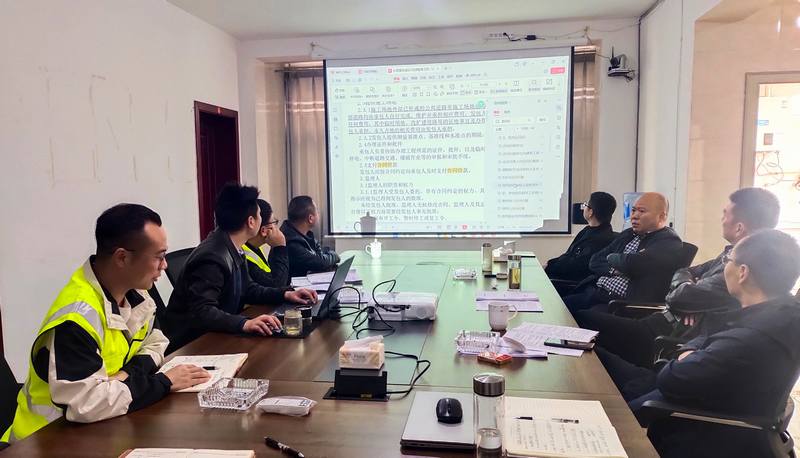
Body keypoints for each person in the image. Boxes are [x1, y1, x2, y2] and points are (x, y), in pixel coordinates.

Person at [2, 204, 210, 443]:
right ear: (122, 257)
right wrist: (163, 382)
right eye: (159, 256)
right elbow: (87, 403)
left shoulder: (136, 295)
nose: (164, 265)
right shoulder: (76, 319)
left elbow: (156, 343)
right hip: (46, 440)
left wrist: (126, 374)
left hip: (101, 428)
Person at [606, 230, 800, 458]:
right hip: (699, 392)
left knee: (600, 396)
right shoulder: (776, 313)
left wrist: (688, 352)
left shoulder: (751, 338)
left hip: (691, 419)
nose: (724, 265)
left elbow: (670, 378)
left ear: (742, 273)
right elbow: (706, 335)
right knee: (600, 357)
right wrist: (690, 350)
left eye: (727, 260)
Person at [578, 187, 780, 367]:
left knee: (582, 323)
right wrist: (690, 290)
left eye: (725, 214)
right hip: (661, 321)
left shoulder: (739, 268)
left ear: (739, 227)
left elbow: (680, 298)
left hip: (666, 334)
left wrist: (690, 295)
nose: (722, 219)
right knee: (583, 323)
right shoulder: (728, 254)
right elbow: (685, 272)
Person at [164, 184, 317, 353]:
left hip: (218, 333)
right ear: (251, 222)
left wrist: (285, 294)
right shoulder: (212, 256)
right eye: (259, 215)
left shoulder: (233, 245)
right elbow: (203, 311)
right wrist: (244, 323)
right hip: (194, 345)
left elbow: (248, 288)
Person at [562, 192, 684, 314]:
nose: (634, 216)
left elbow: (631, 263)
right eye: (633, 210)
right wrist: (615, 269)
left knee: (576, 315)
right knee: (559, 307)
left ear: (661, 217)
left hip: (619, 304)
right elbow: (595, 261)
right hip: (596, 291)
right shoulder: (628, 234)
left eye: (642, 211)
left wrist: (612, 258)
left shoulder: (669, 241)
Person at [545, 192, 617, 289]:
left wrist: (549, 267)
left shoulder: (600, 239)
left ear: (591, 212)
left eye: (585, 205)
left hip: (572, 285)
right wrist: (550, 263)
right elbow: (569, 255)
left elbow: (575, 266)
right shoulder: (588, 230)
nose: (583, 208)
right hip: (562, 274)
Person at [280, 195, 340, 278]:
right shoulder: (290, 242)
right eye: (317, 211)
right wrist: (335, 255)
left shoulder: (306, 235)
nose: (318, 214)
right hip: (294, 285)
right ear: (310, 218)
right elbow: (320, 262)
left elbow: (320, 256)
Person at [243, 199, 290, 287]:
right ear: (264, 230)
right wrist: (280, 247)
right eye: (274, 222)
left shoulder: (255, 247)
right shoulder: (245, 259)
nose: (276, 227)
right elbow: (277, 285)